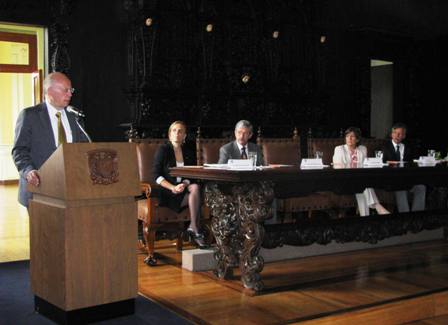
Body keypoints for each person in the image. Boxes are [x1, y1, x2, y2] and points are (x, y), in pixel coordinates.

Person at [12, 72, 90, 208]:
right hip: (39, 188)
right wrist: (29, 171)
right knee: (43, 229)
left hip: (70, 189)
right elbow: (19, 150)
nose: (70, 94)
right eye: (65, 90)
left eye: (71, 90)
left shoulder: (74, 117)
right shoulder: (30, 115)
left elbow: (83, 147)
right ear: (49, 91)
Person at [153, 121, 207, 249]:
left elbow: (191, 173)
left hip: (183, 189)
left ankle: (193, 227)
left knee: (195, 187)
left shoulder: (188, 151)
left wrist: (184, 183)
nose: (177, 133)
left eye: (180, 131)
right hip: (167, 192)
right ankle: (195, 229)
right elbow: (156, 175)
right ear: (170, 134)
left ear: (184, 135)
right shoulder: (163, 150)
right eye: (174, 130)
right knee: (197, 195)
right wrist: (173, 187)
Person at [333, 127, 390, 216]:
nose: (349, 138)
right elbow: (338, 168)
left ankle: (365, 218)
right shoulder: (339, 149)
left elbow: (364, 165)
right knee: (362, 184)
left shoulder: (362, 149)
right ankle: (377, 206)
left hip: (358, 180)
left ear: (357, 139)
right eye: (347, 136)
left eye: (352, 136)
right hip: (344, 180)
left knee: (361, 186)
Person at [382, 122, 426, 212]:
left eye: (401, 134)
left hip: (407, 178)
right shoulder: (385, 146)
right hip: (392, 179)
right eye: (396, 133)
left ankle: (416, 217)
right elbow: (381, 162)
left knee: (421, 187)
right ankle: (405, 218)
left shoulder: (408, 147)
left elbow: (412, 162)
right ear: (392, 134)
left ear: (404, 136)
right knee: (400, 188)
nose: (398, 135)